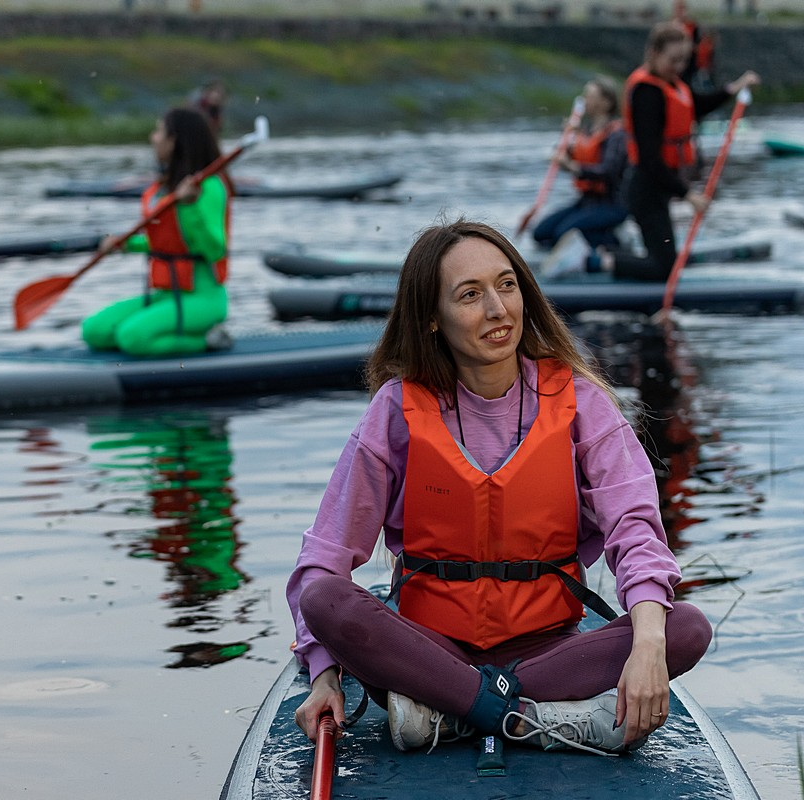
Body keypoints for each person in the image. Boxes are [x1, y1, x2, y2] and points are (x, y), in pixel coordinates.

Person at [287, 219, 713, 756]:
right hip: (429, 651)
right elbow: (323, 561)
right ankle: (524, 718)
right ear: (432, 319)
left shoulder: (582, 402)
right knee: (326, 599)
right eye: (470, 295)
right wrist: (325, 675)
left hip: (550, 655)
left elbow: (636, 530)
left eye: (506, 285)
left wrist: (649, 642)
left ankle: (456, 714)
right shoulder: (395, 410)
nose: (497, 310)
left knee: (686, 627)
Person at [600, 21, 759, 282]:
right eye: (673, 60)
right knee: (664, 269)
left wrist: (735, 87)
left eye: (684, 60)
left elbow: (697, 105)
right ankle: (596, 260)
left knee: (664, 261)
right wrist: (689, 195)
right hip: (645, 188)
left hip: (661, 187)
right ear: (653, 53)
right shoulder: (646, 93)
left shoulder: (673, 84)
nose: (679, 67)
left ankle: (610, 257)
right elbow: (650, 160)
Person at [81, 107, 231, 357]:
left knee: (131, 337)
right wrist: (125, 245)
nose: (153, 138)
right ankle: (168, 332)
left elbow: (214, 249)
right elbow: (166, 241)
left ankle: (208, 340)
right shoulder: (163, 189)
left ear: (174, 141)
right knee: (94, 331)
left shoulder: (209, 188)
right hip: (166, 295)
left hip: (204, 299)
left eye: (159, 131)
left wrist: (191, 207)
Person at [531, 76, 629, 256]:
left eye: (590, 96)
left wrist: (573, 167)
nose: (584, 101)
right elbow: (568, 156)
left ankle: (614, 244)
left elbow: (607, 171)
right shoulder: (584, 132)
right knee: (541, 234)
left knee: (563, 234)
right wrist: (565, 139)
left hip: (612, 203)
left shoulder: (617, 134)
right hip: (586, 201)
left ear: (605, 103)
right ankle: (596, 237)